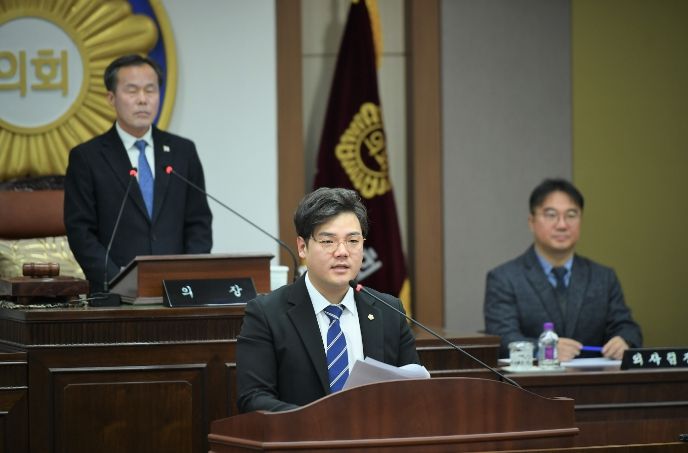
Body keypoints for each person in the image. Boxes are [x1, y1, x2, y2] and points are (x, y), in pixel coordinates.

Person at [236, 187, 419, 413]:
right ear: (302, 247)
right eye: (328, 241)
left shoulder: (390, 311)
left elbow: (414, 392)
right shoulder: (266, 314)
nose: (342, 252)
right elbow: (253, 399)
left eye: (353, 240)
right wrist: (321, 423)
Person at [64, 54, 212, 292]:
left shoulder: (183, 151)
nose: (143, 99)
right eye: (132, 91)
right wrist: (119, 282)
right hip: (115, 295)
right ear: (111, 98)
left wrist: (187, 276)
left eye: (150, 90)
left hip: (178, 291)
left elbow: (199, 222)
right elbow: (81, 232)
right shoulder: (87, 157)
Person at [484, 178, 642, 361]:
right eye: (551, 215)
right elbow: (503, 340)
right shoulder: (504, 278)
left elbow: (628, 328)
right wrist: (545, 350)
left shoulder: (603, 277)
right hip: (533, 378)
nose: (562, 225)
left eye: (571, 215)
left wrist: (624, 341)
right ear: (531, 222)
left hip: (594, 377)